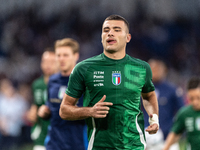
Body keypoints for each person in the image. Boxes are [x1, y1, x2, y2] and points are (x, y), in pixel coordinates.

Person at [59, 14, 159, 150]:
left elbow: (149, 96)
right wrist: (90, 111)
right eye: (106, 30)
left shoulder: (142, 68)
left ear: (128, 37)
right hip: (99, 146)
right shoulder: (84, 68)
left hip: (134, 146)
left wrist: (154, 119)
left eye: (117, 30)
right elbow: (64, 110)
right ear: (101, 37)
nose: (110, 33)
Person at [38, 38, 88, 150]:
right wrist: (45, 111)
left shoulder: (85, 83)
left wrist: (73, 111)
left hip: (77, 144)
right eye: (58, 55)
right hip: (54, 144)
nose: (61, 59)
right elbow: (50, 108)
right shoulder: (52, 80)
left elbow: (92, 114)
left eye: (65, 55)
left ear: (76, 56)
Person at [143, 58, 184, 150]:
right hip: (148, 134)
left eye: (157, 69)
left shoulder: (172, 90)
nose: (154, 72)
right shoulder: (142, 89)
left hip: (167, 134)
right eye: (152, 69)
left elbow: (182, 111)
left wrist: (176, 128)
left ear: (164, 70)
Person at [26, 50, 57, 150]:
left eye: (52, 62)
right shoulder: (37, 85)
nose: (48, 65)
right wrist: (31, 115)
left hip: (59, 137)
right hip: (41, 137)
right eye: (45, 61)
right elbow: (34, 106)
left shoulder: (65, 83)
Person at [163, 76, 200, 150]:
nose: (195, 102)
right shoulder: (185, 113)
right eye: (191, 98)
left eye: (198, 98)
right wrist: (165, 148)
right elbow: (174, 133)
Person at [0, 78, 29, 150]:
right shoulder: (1, 99)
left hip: (15, 130)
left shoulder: (20, 101)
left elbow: (22, 116)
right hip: (2, 132)